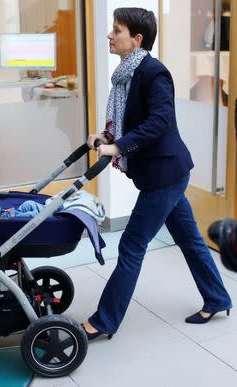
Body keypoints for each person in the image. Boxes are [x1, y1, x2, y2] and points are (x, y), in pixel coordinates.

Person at [82, 7, 232, 341]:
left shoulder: (153, 72)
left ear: (136, 39)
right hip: (158, 173)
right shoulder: (125, 74)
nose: (109, 35)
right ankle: (218, 297)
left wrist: (118, 146)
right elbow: (131, 121)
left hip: (166, 172)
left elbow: (160, 121)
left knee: (132, 244)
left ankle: (104, 320)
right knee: (190, 239)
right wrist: (105, 137)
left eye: (116, 30)